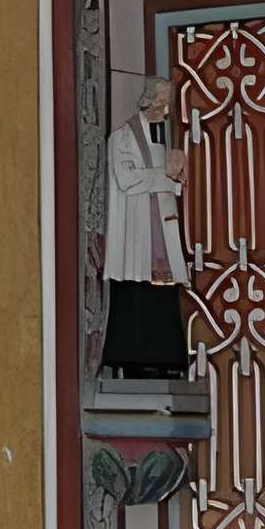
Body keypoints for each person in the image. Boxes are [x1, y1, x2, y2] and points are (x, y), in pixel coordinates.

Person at [102, 72, 190, 376]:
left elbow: (164, 179)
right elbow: (127, 180)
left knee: (162, 292)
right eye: (162, 102)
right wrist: (164, 174)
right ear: (148, 100)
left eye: (168, 104)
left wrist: (176, 172)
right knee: (135, 290)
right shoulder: (123, 137)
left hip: (158, 226)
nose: (165, 110)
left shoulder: (160, 134)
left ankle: (165, 358)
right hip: (135, 227)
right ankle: (132, 358)